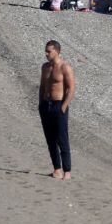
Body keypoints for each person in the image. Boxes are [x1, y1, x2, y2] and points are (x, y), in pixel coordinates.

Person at [39, 40, 75, 179]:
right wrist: (40, 104)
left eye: (49, 51)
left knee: (62, 138)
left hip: (58, 105)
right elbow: (42, 86)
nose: (46, 53)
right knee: (50, 139)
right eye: (46, 51)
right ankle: (57, 169)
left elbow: (71, 88)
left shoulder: (65, 67)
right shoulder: (45, 67)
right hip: (46, 105)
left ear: (57, 51)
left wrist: (63, 107)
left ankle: (67, 171)